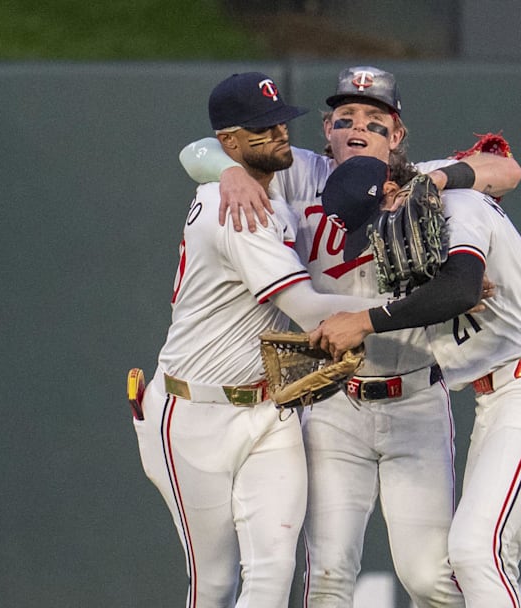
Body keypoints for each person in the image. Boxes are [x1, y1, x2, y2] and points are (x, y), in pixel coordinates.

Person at [179, 66, 521, 608]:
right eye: (345, 119)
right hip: (335, 400)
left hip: (415, 400)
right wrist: (227, 171)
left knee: (430, 576)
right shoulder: (300, 173)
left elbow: (505, 169)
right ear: (326, 131)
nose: (359, 128)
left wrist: (430, 181)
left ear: (398, 135)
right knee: (330, 577)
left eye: (376, 121)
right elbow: (196, 149)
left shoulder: (415, 178)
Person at [132, 71, 384, 608]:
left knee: (272, 576)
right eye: (263, 129)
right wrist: (411, 310)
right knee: (215, 586)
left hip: (271, 409)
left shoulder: (272, 184)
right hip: (192, 411)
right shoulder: (236, 212)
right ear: (230, 142)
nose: (279, 135)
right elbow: (309, 309)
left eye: (281, 123)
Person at [309, 156, 521, 608]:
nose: (376, 240)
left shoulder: (455, 206)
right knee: (485, 561)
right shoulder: (420, 233)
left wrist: (364, 321)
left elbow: (459, 288)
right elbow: (449, 292)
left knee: (475, 550)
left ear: (390, 193)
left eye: (375, 221)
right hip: (497, 400)